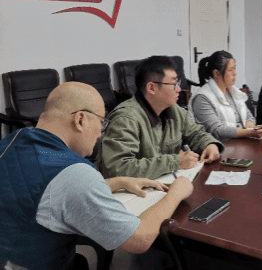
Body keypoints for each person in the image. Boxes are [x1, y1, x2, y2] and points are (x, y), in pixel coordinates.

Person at [0, 82, 193, 270]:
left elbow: (41, 192)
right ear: (80, 120)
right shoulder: (74, 172)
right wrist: (175, 193)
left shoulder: (13, 141)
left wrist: (117, 182)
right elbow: (138, 239)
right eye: (102, 122)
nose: (100, 134)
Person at [100, 56, 223, 180]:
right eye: (174, 84)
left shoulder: (174, 110)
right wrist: (175, 162)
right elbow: (117, 168)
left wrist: (209, 144)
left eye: (178, 83)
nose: (179, 89)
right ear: (151, 88)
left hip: (166, 183)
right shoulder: (126, 119)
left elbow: (195, 133)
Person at [189, 50, 262, 141]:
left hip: (240, 142)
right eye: (231, 70)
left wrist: (250, 123)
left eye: (235, 68)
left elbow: (248, 115)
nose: (235, 73)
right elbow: (217, 130)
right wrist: (249, 132)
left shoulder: (233, 91)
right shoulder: (202, 98)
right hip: (220, 146)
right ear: (216, 73)